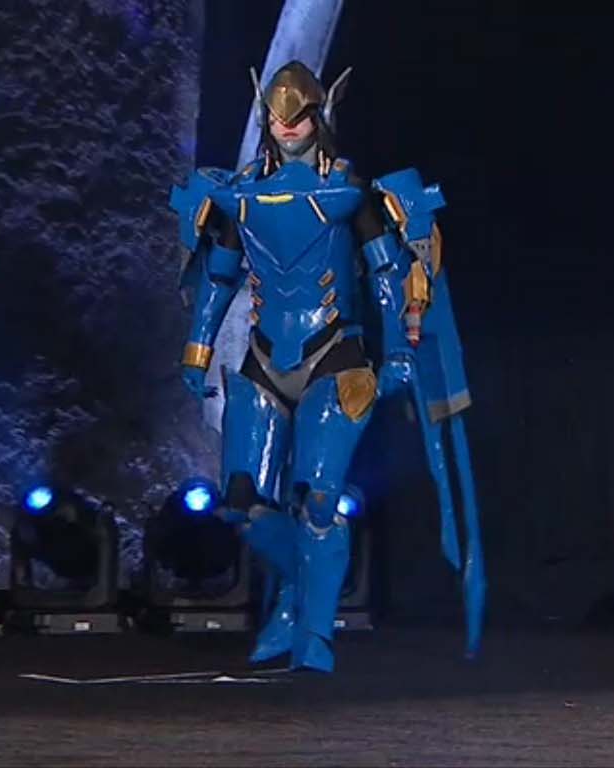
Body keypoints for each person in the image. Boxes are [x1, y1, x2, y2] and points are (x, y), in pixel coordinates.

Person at [169, 61, 484, 672]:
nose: (289, 126)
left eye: (300, 115)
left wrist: (400, 351)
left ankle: (314, 637)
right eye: (278, 117)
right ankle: (301, 591)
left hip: (335, 355)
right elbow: (219, 279)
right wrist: (196, 352)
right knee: (241, 503)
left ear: (320, 116)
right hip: (263, 359)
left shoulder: (349, 195)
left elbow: (388, 276)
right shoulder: (240, 197)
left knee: (317, 502)